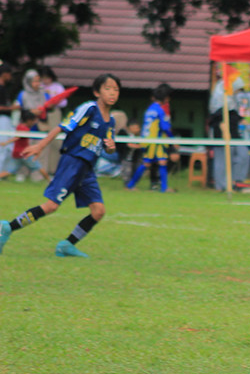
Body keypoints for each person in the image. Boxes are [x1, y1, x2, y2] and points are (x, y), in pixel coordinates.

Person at [0, 74, 120, 258]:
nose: (112, 92)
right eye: (108, 88)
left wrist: (111, 148)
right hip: (72, 162)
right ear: (97, 91)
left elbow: (107, 146)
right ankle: (7, 227)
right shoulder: (89, 108)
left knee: (98, 211)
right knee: (51, 206)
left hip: (87, 170)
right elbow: (62, 127)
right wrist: (40, 145)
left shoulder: (110, 121)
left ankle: (66, 245)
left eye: (116, 89)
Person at [126, 84, 176, 193]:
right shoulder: (159, 111)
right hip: (154, 141)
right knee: (147, 163)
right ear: (165, 98)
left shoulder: (150, 109)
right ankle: (130, 185)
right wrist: (172, 140)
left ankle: (164, 188)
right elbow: (165, 127)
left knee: (161, 162)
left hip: (148, 140)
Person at [0, 110, 50, 182]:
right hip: (25, 153)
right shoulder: (25, 129)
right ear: (29, 120)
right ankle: (50, 181)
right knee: (39, 167)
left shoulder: (19, 127)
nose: (33, 123)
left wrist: (6, 143)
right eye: (33, 121)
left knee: (9, 170)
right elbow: (17, 137)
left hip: (16, 153)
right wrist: (6, 143)